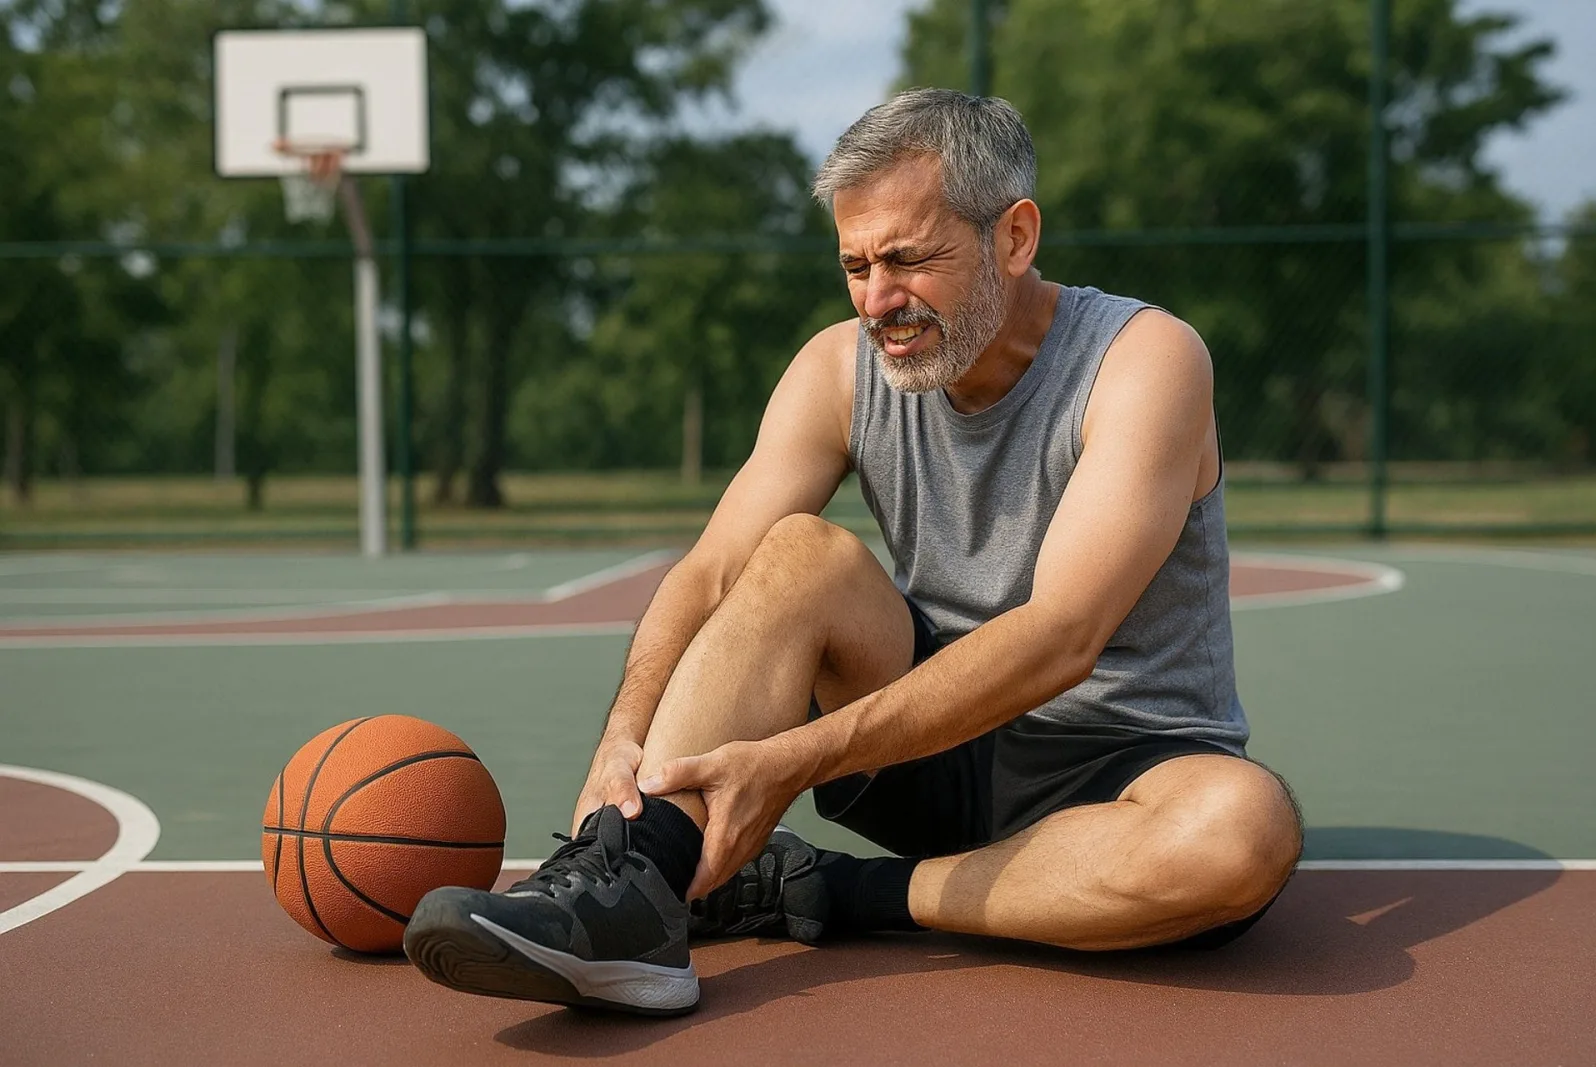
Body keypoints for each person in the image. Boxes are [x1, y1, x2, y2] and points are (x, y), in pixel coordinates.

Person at [402, 88, 1303, 1017]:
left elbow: (1061, 633)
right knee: (798, 555)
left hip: (1126, 766)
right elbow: (713, 569)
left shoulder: (1145, 359)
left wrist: (795, 757)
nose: (879, 300)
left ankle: (826, 888)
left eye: (910, 259)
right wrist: (623, 736)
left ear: (1016, 237)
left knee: (1242, 831)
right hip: (938, 750)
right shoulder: (838, 367)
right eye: (856, 266)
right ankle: (634, 880)